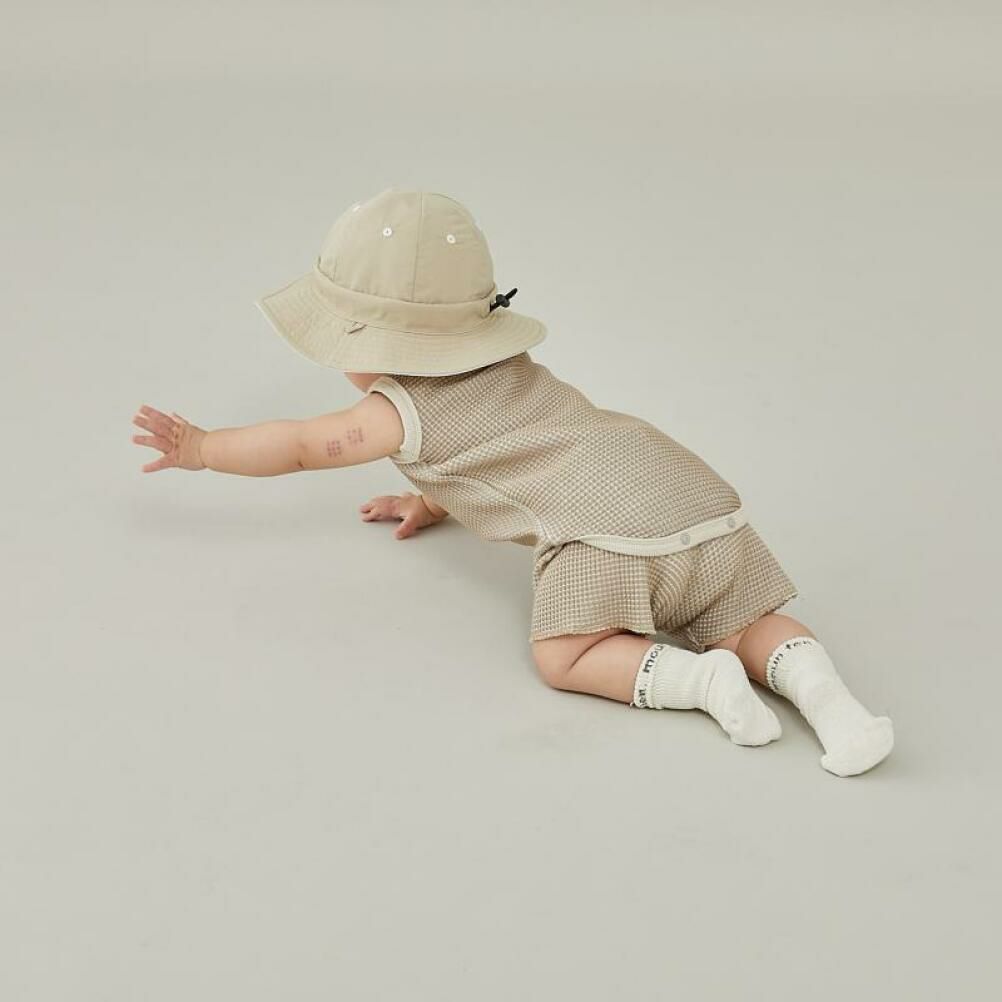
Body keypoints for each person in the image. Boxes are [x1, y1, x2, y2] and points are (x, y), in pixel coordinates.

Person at [130, 186, 894, 778]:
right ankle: (834, 704)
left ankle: (702, 684)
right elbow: (499, 448)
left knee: (565, 656)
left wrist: (204, 447)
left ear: (369, 341)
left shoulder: (394, 412)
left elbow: (300, 447)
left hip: (604, 536)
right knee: (749, 622)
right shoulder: (508, 365)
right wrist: (432, 499)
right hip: (693, 496)